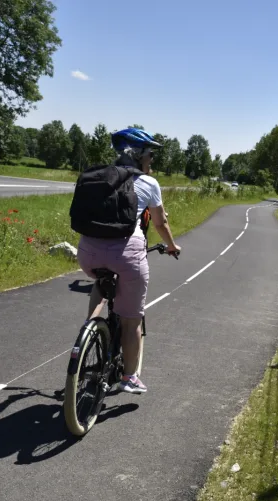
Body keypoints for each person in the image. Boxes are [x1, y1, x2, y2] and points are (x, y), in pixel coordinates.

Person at [76, 128, 181, 394]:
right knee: (131, 321)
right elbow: (160, 222)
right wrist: (171, 246)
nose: (152, 160)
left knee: (101, 279)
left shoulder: (99, 177)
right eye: (150, 154)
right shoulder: (149, 183)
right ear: (138, 155)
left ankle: (89, 330)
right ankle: (129, 378)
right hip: (127, 256)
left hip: (87, 252)